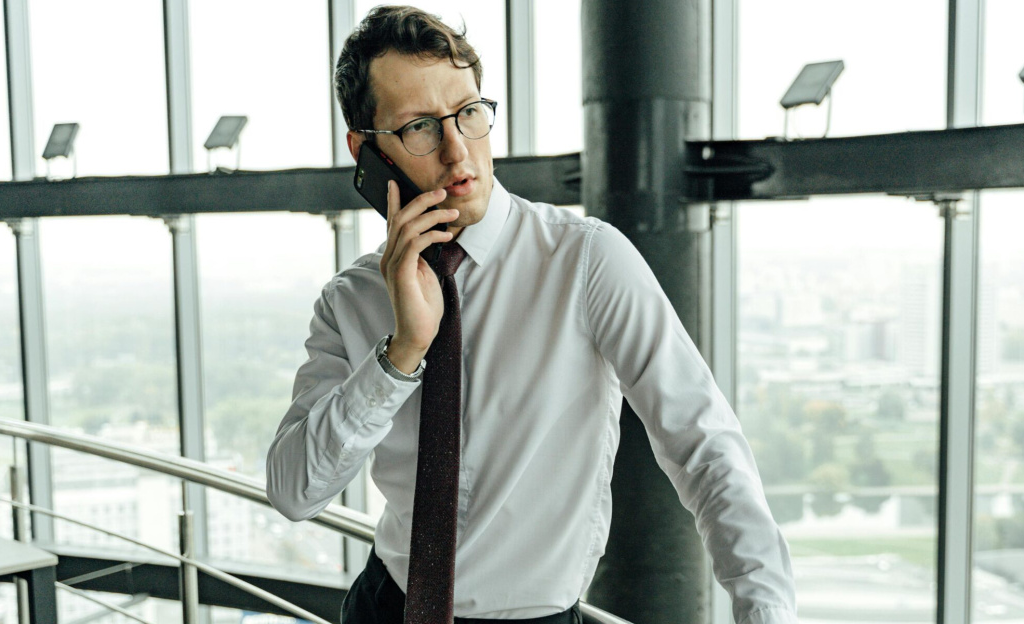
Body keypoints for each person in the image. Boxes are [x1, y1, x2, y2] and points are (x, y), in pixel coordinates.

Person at [266, 5, 797, 624]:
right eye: (418, 127)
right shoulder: (351, 298)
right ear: (367, 150)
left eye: (468, 113)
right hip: (384, 607)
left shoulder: (586, 261)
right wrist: (401, 354)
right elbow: (293, 491)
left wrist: (764, 614)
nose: (458, 152)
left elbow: (704, 444)